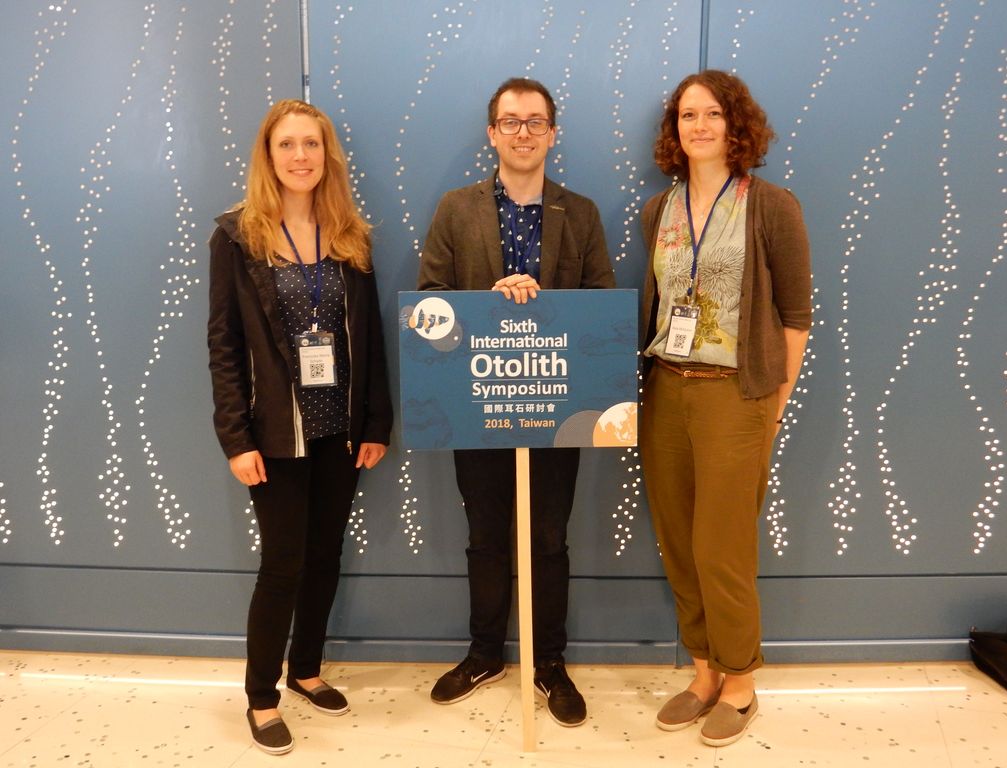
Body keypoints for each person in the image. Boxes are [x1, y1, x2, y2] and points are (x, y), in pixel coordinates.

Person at [417, 77, 615, 727]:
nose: (523, 133)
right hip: (476, 404)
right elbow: (430, 304)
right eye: (511, 122)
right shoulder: (455, 208)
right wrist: (486, 308)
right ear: (491, 133)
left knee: (550, 540)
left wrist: (545, 307)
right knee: (485, 537)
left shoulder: (579, 213)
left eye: (535, 122)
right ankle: (484, 654)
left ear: (553, 134)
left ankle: (550, 662)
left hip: (558, 407)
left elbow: (602, 307)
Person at [207, 99, 392, 755]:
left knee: (324, 555)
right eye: (287, 145)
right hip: (275, 434)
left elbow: (369, 342)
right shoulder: (237, 236)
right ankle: (262, 698)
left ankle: (306, 668)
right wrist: (237, 439)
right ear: (268, 155)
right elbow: (224, 345)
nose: (300, 157)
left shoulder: (350, 236)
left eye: (311, 145)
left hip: (339, 429)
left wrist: (376, 421)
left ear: (327, 155)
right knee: (283, 563)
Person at [638, 70, 811, 746]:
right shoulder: (659, 210)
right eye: (687, 116)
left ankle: (741, 682)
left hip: (737, 393)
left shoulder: (771, 204)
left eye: (712, 114)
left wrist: (776, 398)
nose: (699, 126)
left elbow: (795, 313)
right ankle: (704, 670)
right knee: (679, 539)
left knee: (723, 544)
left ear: (736, 125)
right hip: (664, 387)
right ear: (674, 131)